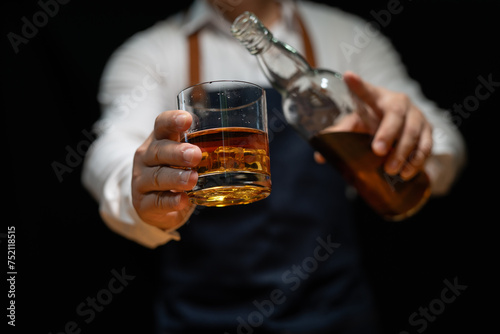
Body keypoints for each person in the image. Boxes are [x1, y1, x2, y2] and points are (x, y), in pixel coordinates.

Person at [82, 0, 466, 333]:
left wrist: (406, 141)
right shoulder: (150, 54)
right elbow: (111, 152)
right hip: (202, 318)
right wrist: (141, 189)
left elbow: (446, 145)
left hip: (334, 314)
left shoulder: (348, 37)